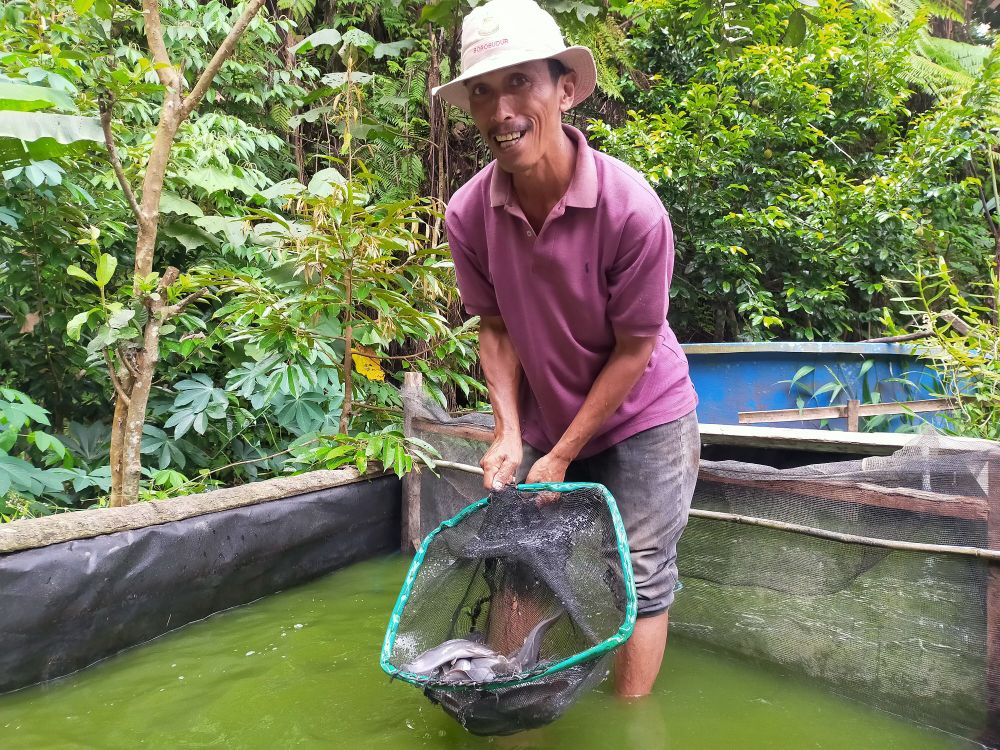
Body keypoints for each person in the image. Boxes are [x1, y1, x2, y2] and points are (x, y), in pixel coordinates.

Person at [432, 0, 700, 698]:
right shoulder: (467, 213)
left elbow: (635, 348)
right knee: (521, 558)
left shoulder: (631, 210)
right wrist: (510, 432)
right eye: (483, 93)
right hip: (547, 413)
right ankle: (513, 715)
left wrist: (560, 456)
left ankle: (626, 721)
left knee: (638, 573)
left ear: (566, 89)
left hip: (645, 414)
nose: (501, 111)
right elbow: (495, 328)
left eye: (521, 82)